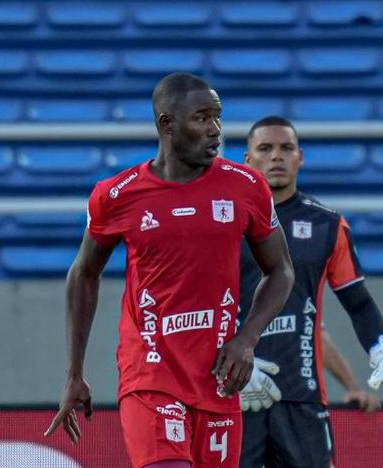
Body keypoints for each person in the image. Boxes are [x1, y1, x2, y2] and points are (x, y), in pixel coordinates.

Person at [44, 72, 295, 468]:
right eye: (201, 118)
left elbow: (280, 270)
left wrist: (247, 339)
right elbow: (84, 273)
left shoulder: (246, 186)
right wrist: (75, 372)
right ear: (167, 125)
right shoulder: (117, 195)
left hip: (219, 377)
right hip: (151, 375)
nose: (215, 130)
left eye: (218, 117)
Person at [237, 116, 383, 468]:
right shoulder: (224, 223)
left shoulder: (326, 224)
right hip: (236, 396)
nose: (276, 157)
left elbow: (358, 302)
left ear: (301, 157)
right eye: (265, 149)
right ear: (247, 160)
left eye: (286, 148)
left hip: (303, 400)